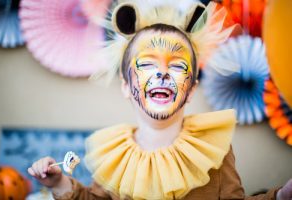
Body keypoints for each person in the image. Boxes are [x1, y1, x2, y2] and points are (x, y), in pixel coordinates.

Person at [28, 1, 292, 199]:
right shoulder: (115, 156)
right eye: (146, 64)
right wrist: (60, 183)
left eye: (177, 66)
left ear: (190, 90)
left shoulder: (213, 151)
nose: (163, 73)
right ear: (126, 86)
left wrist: (281, 196)